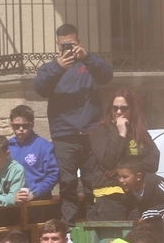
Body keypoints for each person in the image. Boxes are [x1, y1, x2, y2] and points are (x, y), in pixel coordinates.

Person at [33, 24, 114, 224]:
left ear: (79, 42)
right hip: (64, 135)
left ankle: (94, 225)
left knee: (92, 183)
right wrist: (59, 67)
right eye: (64, 45)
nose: (68, 48)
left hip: (91, 133)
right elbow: (40, 88)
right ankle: (68, 228)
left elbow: (107, 76)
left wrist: (87, 57)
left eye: (71, 44)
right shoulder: (51, 67)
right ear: (57, 44)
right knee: (67, 183)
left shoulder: (89, 64)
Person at [85, 89, 161, 221]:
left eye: (124, 108)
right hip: (110, 195)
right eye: (115, 108)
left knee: (137, 233)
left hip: (136, 194)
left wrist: (125, 170)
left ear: (132, 110)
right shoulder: (102, 132)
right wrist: (121, 134)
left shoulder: (139, 132)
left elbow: (153, 162)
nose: (119, 112)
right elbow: (108, 160)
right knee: (116, 234)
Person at [113, 155, 164, 243]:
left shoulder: (155, 183)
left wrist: (149, 213)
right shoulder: (129, 188)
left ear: (138, 176)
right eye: (119, 177)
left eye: (125, 177)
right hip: (154, 212)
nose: (121, 180)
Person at [6, 105, 59, 203]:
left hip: (39, 201)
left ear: (32, 125)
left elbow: (53, 175)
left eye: (25, 126)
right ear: (11, 124)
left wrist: (35, 194)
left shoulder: (45, 146)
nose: (21, 129)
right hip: (13, 202)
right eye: (16, 126)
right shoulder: (7, 147)